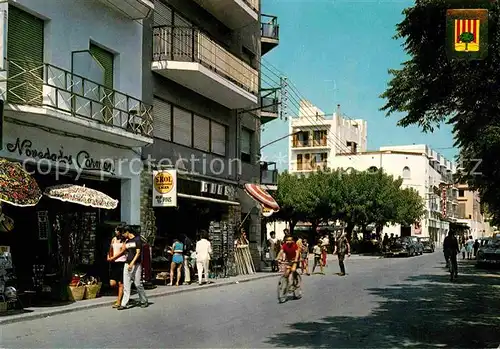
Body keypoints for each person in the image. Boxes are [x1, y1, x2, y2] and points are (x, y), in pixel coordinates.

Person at [109, 226, 148, 310]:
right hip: (127, 264)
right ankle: (124, 303)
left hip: (136, 264)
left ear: (128, 232)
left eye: (123, 233)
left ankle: (144, 300)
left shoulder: (137, 240)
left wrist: (132, 263)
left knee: (138, 284)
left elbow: (138, 253)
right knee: (126, 284)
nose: (123, 235)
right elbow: (125, 251)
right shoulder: (127, 241)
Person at [108, 225, 126, 308]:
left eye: (117, 230)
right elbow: (110, 249)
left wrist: (114, 257)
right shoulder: (113, 239)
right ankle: (120, 295)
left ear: (120, 231)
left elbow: (122, 251)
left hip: (121, 262)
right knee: (112, 283)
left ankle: (119, 301)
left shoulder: (124, 240)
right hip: (114, 262)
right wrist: (109, 256)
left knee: (120, 283)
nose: (115, 232)